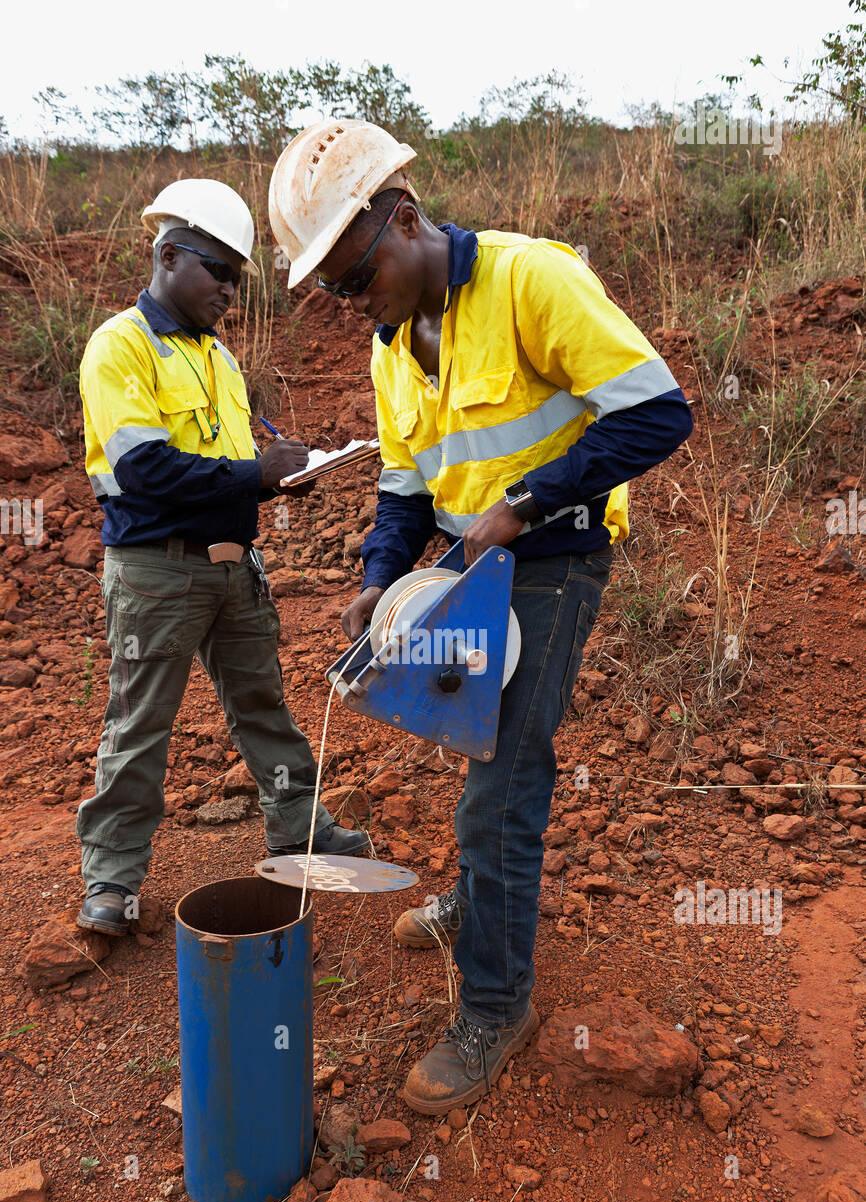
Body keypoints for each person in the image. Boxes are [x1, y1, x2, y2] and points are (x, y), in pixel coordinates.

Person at [269, 123, 693, 1114]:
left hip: (552, 561)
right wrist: (380, 576)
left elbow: (656, 413)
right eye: (330, 288)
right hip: (466, 569)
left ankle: (497, 1005)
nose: (349, 300)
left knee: (502, 787)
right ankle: (478, 903)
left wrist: (526, 506)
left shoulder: (529, 279)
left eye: (354, 271)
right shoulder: (392, 348)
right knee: (471, 739)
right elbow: (404, 488)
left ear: (404, 219)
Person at [77, 177, 369, 937]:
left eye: (237, 276)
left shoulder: (219, 360)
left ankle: (299, 832)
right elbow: (144, 473)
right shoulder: (120, 347)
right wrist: (257, 474)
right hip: (155, 572)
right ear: (169, 256)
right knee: (140, 724)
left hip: (233, 566)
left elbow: (220, 474)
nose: (230, 291)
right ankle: (111, 879)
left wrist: (280, 482)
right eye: (217, 271)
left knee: (263, 710)